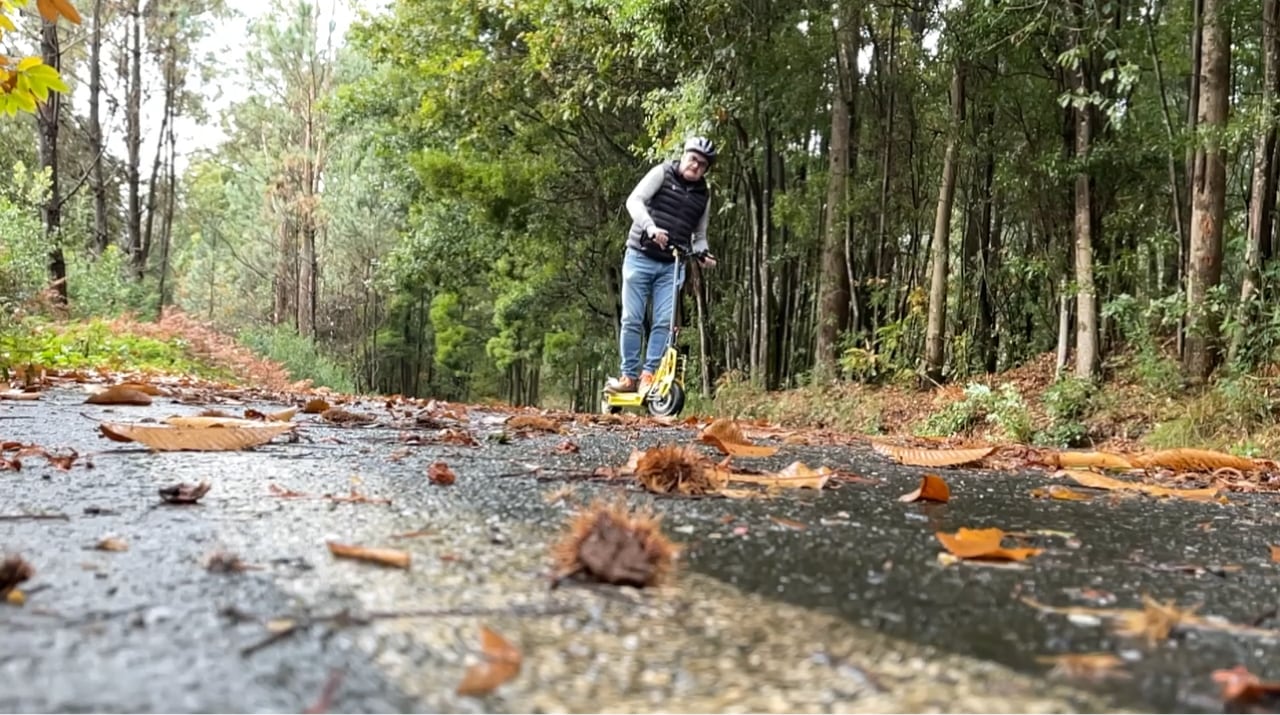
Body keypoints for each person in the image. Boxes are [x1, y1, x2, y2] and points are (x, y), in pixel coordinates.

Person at [605, 136, 719, 395]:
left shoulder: (703, 195)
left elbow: (699, 235)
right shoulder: (662, 173)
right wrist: (651, 227)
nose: (695, 166)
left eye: (702, 164)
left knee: (664, 324)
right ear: (685, 155)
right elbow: (634, 201)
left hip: (672, 263)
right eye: (693, 159)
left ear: (706, 169)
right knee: (632, 319)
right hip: (640, 255)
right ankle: (629, 377)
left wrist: (704, 255)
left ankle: (649, 376)